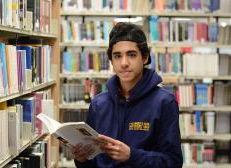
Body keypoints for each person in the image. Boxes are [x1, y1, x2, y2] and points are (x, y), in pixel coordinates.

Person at [71, 22, 183, 168]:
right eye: (117, 56)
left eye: (131, 55)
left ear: (144, 58)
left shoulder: (164, 102)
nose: (124, 63)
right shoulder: (99, 104)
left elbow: (173, 162)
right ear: (111, 60)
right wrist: (81, 160)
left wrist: (132, 156)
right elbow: (91, 164)